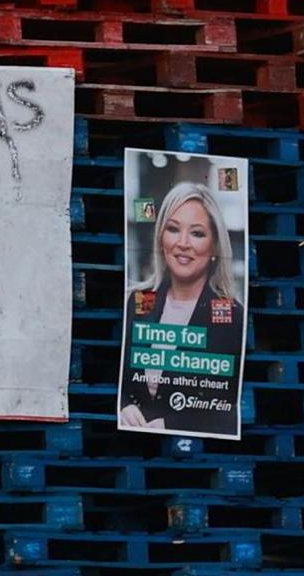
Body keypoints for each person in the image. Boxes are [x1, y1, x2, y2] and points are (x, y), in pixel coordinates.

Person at [119, 182, 244, 436]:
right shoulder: (137, 302)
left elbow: (234, 407)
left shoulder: (232, 315)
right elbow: (117, 381)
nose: (183, 243)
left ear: (214, 247)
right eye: (173, 229)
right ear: (161, 239)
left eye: (197, 233)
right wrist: (123, 407)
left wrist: (174, 424)